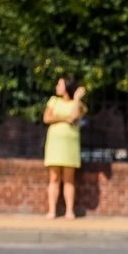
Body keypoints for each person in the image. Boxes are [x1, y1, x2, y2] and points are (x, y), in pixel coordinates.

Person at [42, 78, 84, 219]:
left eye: (60, 84)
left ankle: (69, 211)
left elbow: (75, 117)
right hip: (55, 143)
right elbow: (47, 118)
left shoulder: (77, 104)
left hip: (70, 145)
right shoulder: (53, 101)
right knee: (54, 177)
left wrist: (77, 99)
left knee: (68, 179)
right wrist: (64, 118)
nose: (57, 87)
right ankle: (52, 210)